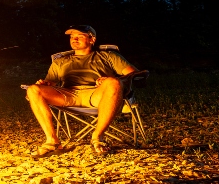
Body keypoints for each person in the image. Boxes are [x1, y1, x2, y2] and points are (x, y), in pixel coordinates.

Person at [25, 25, 137, 157]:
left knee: (113, 82)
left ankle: (97, 137)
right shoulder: (60, 61)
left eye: (80, 36)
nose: (74, 39)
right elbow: (51, 83)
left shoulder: (108, 56)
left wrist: (111, 80)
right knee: (33, 90)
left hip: (97, 94)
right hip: (68, 94)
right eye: (72, 37)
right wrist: (45, 84)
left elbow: (134, 74)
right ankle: (52, 141)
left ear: (92, 39)